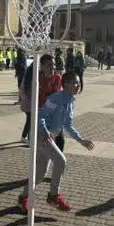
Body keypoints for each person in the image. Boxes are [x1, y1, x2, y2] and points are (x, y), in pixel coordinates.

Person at [17, 71, 95, 213]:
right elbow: (40, 115)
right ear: (66, 84)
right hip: (41, 135)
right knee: (61, 161)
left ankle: (22, 198)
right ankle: (53, 196)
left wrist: (80, 140)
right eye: (75, 83)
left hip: (49, 137)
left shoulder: (70, 101)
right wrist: (44, 130)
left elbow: (68, 124)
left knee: (40, 174)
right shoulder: (56, 98)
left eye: (79, 82)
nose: (78, 85)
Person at [19, 54, 61, 145]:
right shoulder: (36, 77)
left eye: (54, 64)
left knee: (57, 140)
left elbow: (56, 97)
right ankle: (29, 140)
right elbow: (25, 92)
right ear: (41, 66)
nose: (52, 67)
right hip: (36, 110)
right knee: (33, 127)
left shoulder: (57, 78)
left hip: (50, 114)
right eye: (49, 65)